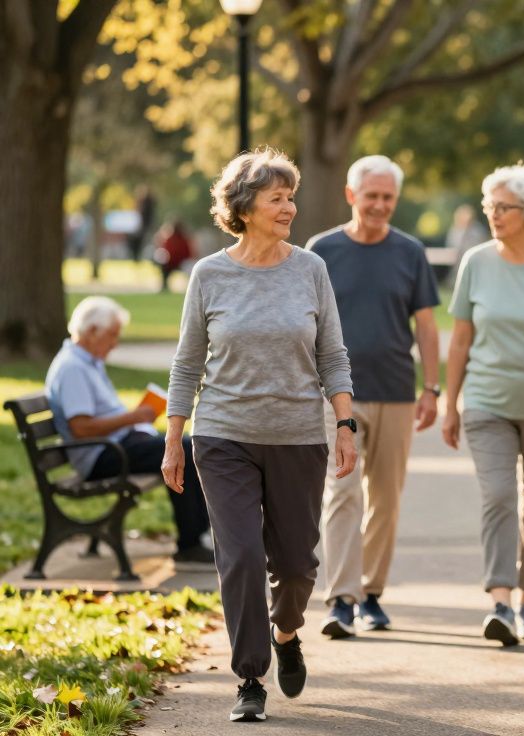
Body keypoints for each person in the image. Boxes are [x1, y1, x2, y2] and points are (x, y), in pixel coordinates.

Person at [165, 147, 357, 723]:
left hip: (299, 435)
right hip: (224, 436)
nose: (289, 208)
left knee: (297, 564)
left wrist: (344, 424)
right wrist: (176, 438)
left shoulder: (310, 270)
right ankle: (250, 676)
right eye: (278, 198)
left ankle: (286, 630)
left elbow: (333, 355)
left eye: (290, 197)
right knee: (242, 556)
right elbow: (186, 364)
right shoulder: (210, 274)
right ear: (244, 207)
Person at [306, 155, 441, 639]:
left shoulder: (409, 253)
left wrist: (431, 388)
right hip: (336, 393)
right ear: (351, 195)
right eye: (372, 196)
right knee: (341, 491)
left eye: (388, 198)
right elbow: (307, 322)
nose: (380, 205)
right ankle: (341, 598)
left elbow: (426, 325)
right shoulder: (321, 251)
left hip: (397, 391)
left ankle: (372, 594)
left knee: (386, 496)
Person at [443, 164, 524, 645]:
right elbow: (460, 340)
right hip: (487, 401)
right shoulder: (476, 261)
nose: (494, 215)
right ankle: (499, 600)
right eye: (490, 207)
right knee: (499, 495)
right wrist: (451, 404)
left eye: (505, 207)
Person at [44, 296, 212, 564]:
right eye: (111, 335)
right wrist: (133, 417)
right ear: (91, 332)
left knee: (184, 445)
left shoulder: (87, 363)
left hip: (116, 445)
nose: (115, 343)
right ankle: (191, 542)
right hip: (102, 455)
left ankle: (198, 534)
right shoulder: (73, 368)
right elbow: (81, 427)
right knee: (184, 449)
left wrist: (137, 420)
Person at [154, 220, 195, 293]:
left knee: (191, 268)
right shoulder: (168, 238)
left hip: (182, 262)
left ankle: (193, 288)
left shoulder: (184, 238)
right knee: (164, 268)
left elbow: (189, 253)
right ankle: (164, 286)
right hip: (170, 263)